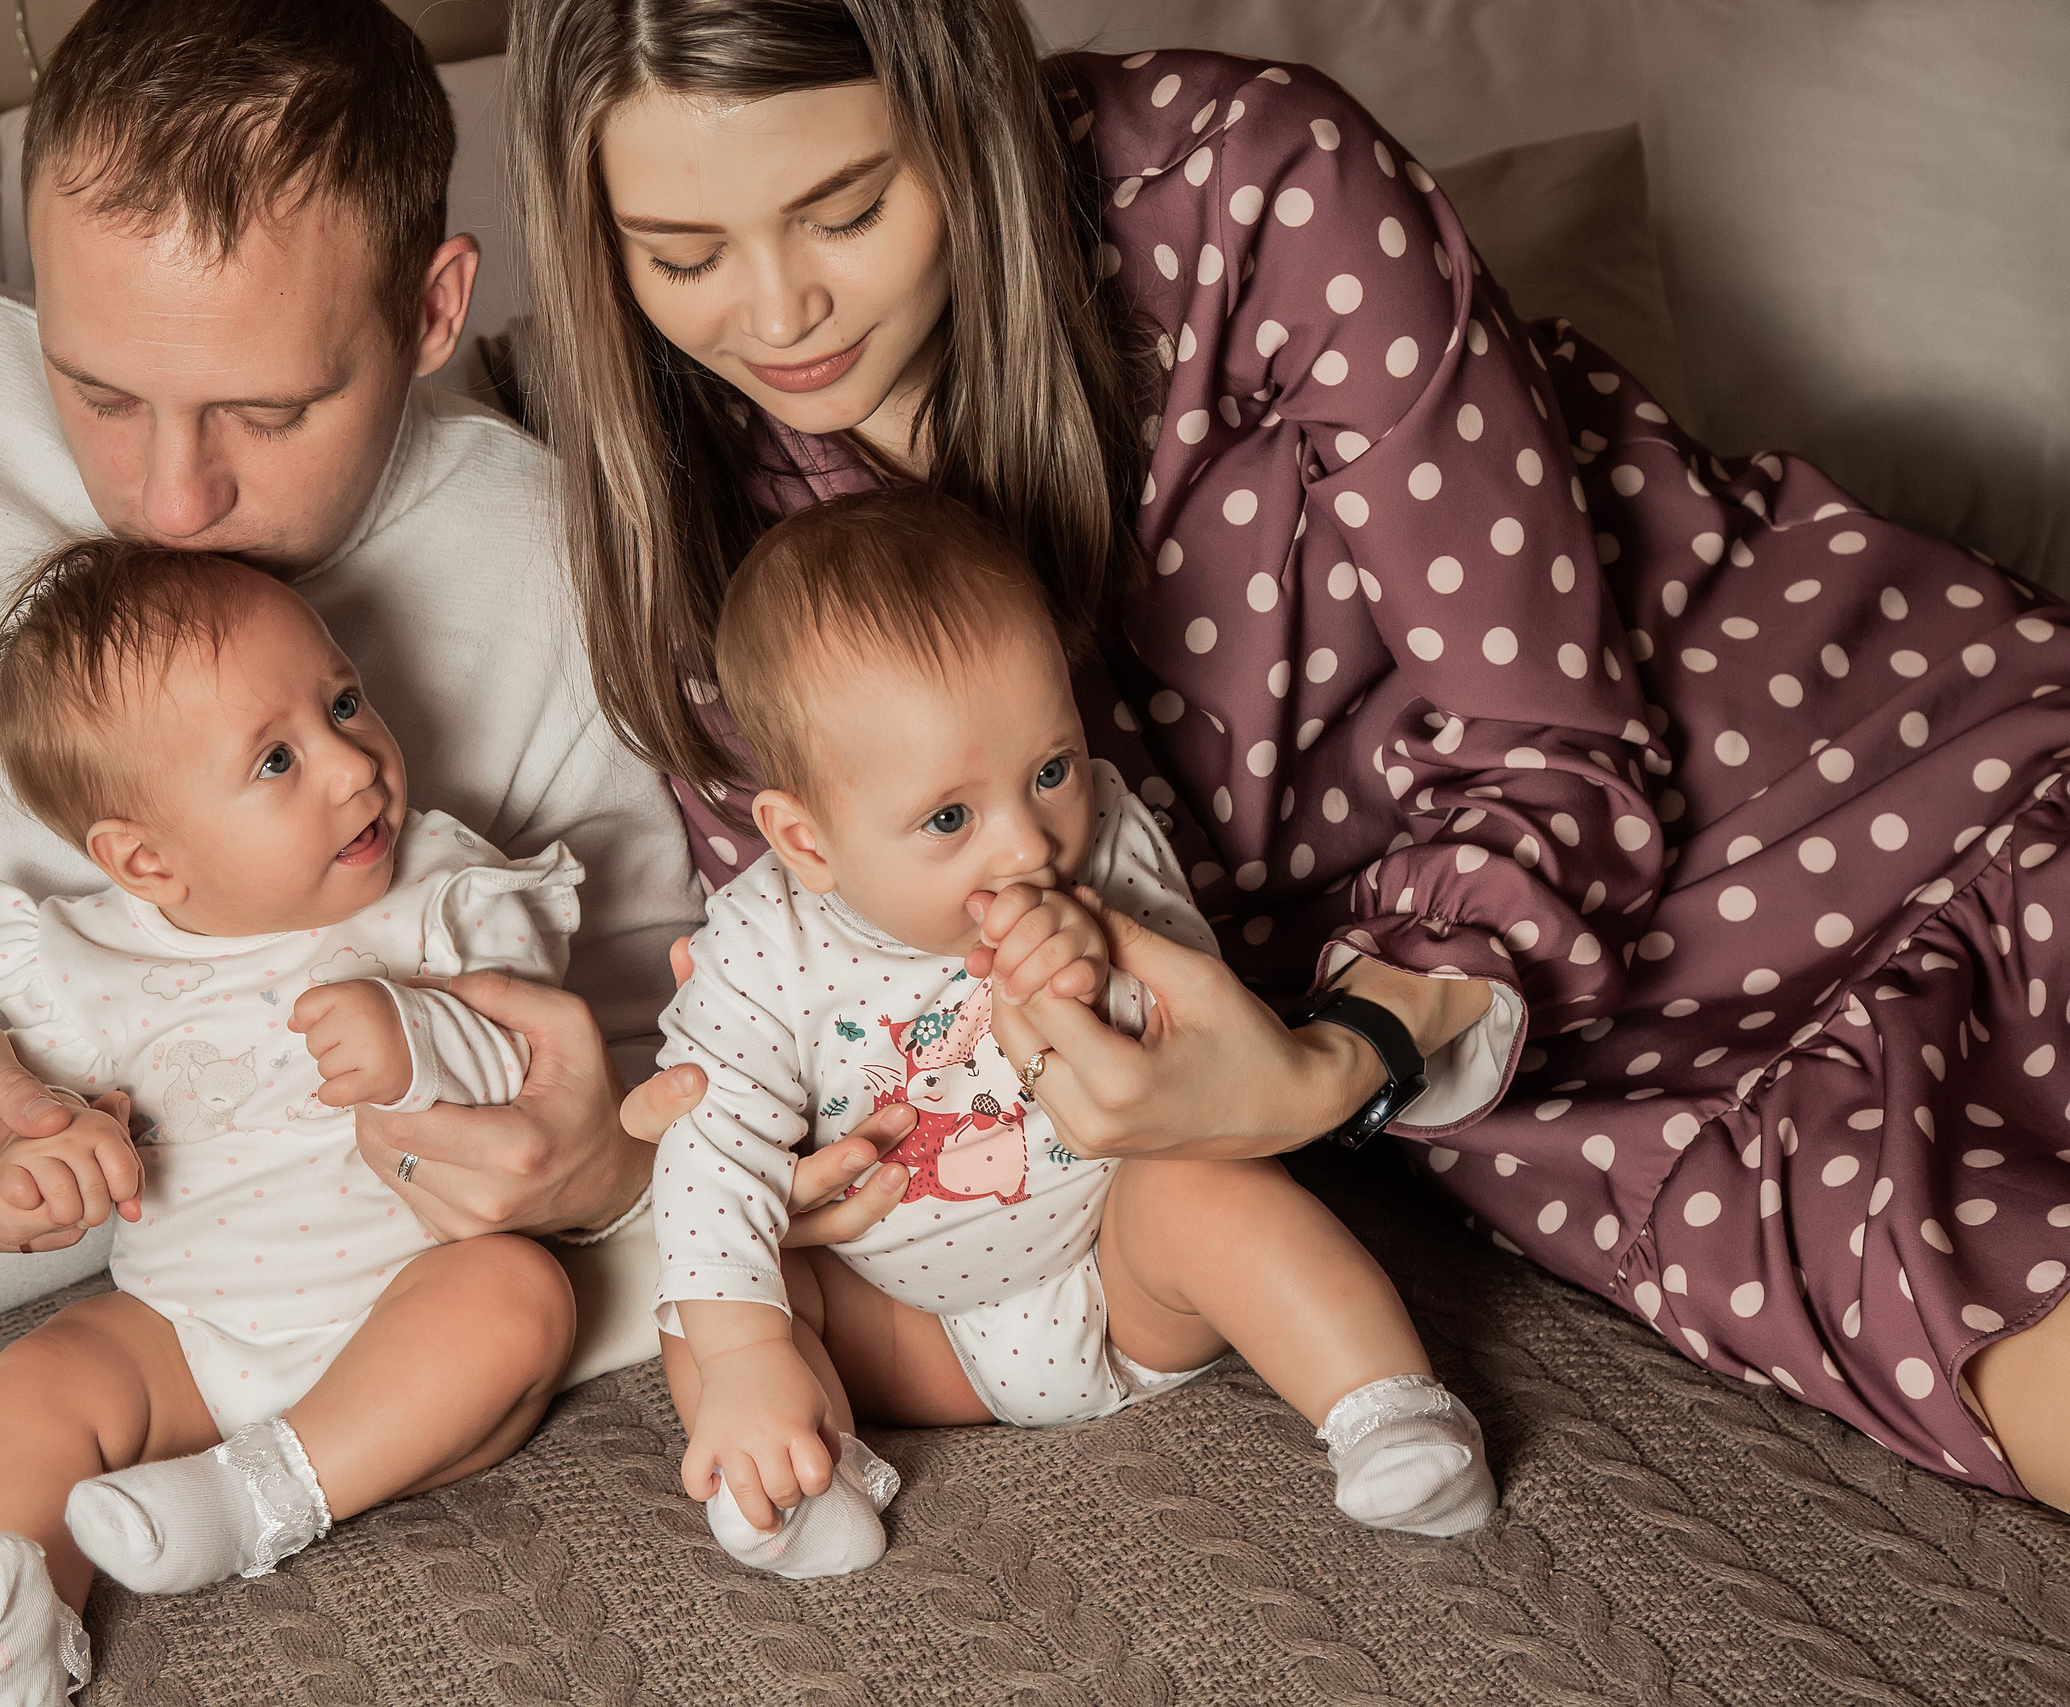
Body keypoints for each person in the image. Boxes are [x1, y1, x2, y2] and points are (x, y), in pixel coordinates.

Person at [508, 0, 2070, 1506]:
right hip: (1540, 1073)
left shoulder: (1251, 189)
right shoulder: (686, 496)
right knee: (1977, 1323)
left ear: (960, 113)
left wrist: (1329, 1064)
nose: (778, 314)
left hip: (1859, 764)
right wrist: (786, 1174)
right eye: (682, 255)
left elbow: (1553, 752)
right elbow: (813, 981)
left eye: (846, 209)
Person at [0, 0, 886, 1576]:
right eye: (98, 389)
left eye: (267, 409)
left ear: (437, 308)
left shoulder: (555, 576)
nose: (171, 498)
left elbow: (675, 1069)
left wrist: (594, 1170)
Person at [652, 490, 1495, 1580]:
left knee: (1208, 1190)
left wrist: (1100, 961)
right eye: (948, 819)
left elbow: (1202, 1052)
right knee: (709, 1305)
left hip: (1124, 1277)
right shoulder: (760, 945)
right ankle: (804, 1475)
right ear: (805, 841)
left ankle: (1390, 1416)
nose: (1026, 843)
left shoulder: (1101, 842)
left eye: (1046, 770)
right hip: (915, 1339)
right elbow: (708, 1155)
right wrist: (747, 1352)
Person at [0, 541, 585, 1704]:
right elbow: (46, 1112)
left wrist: (421, 1038)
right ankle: (8, 1606)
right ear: (146, 861)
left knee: (519, 1297)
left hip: (406, 1330)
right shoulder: (96, 961)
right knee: (40, 1375)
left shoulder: (439, 895)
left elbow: (541, 1070)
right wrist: (48, 1143)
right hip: (188, 1334)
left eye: (343, 701)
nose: (352, 762)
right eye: (277, 758)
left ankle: (256, 1500)